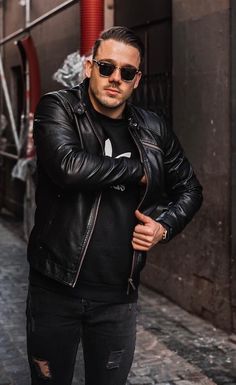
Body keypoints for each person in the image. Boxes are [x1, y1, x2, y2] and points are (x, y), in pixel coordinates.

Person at [26, 26, 203, 385]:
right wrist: (139, 170)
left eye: (126, 72)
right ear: (90, 67)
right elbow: (68, 167)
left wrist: (164, 226)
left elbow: (190, 189)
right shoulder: (58, 108)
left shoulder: (153, 128)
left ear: (136, 80)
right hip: (55, 291)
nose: (115, 79)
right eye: (106, 67)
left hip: (118, 298)